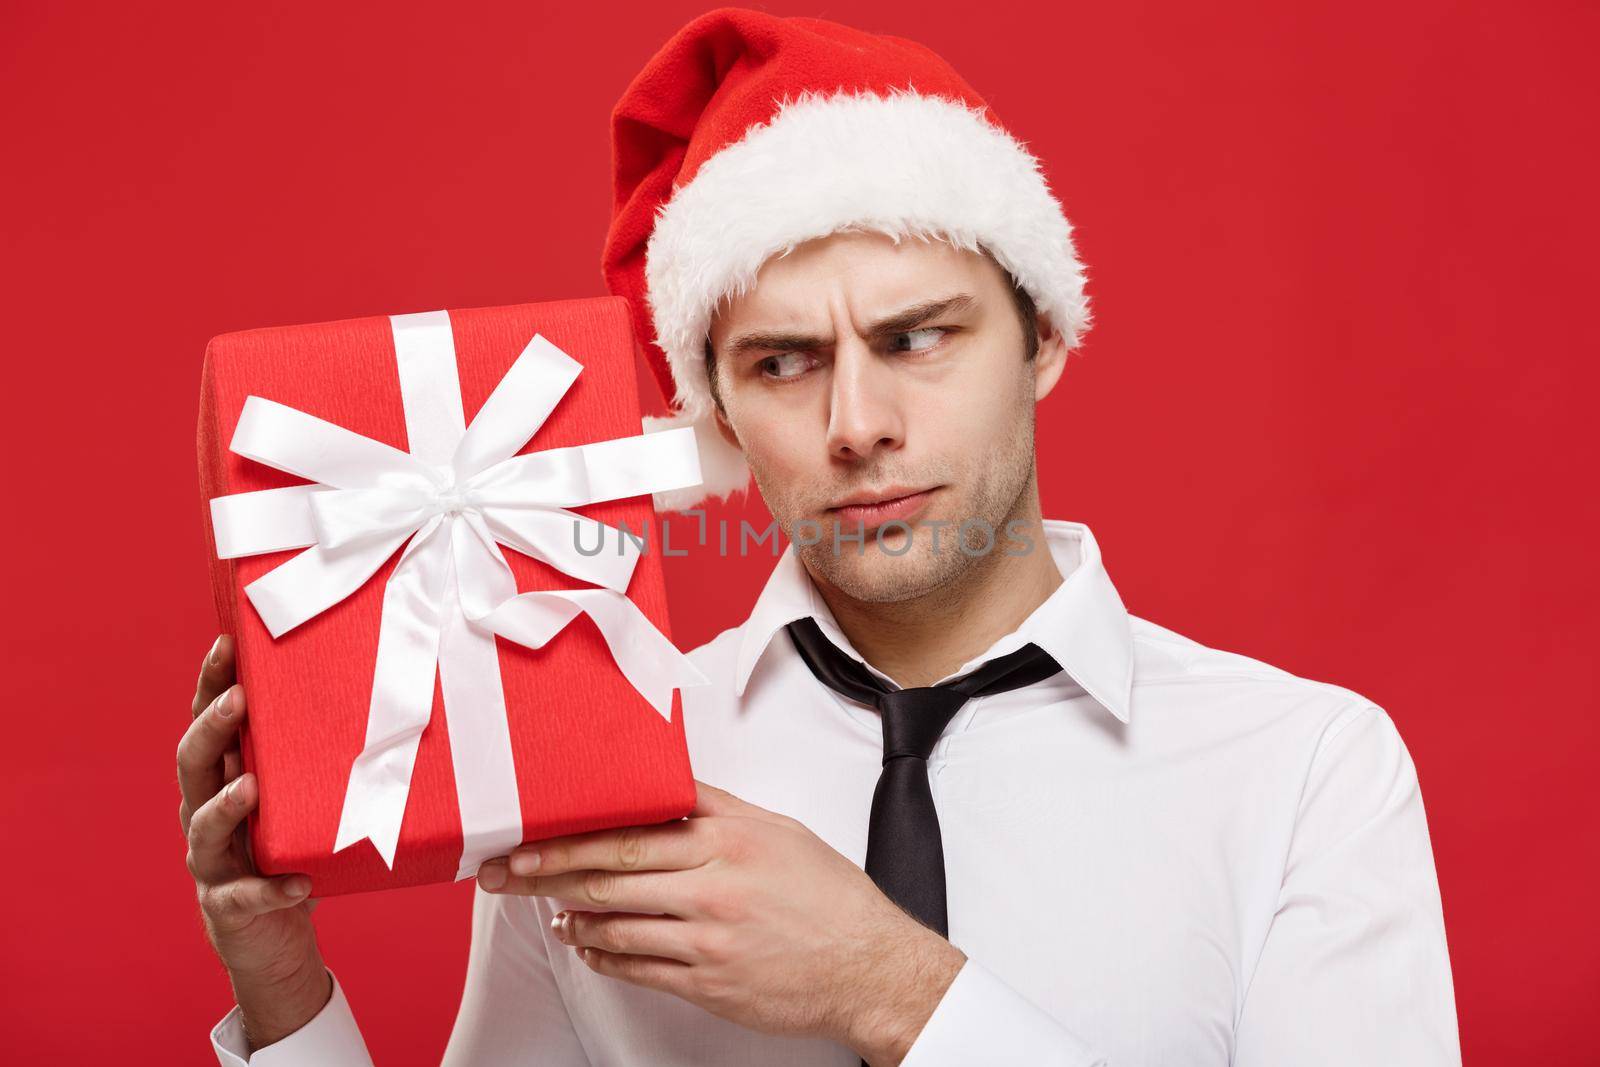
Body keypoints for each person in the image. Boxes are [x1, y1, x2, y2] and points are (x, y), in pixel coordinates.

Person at [179, 8, 1461, 1065]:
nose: (857, 423)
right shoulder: (600, 746)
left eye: (917, 337)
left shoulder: (1303, 770)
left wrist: (885, 982)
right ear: (717, 411)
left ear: (1047, 342)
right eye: (784, 362)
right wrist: (284, 990)